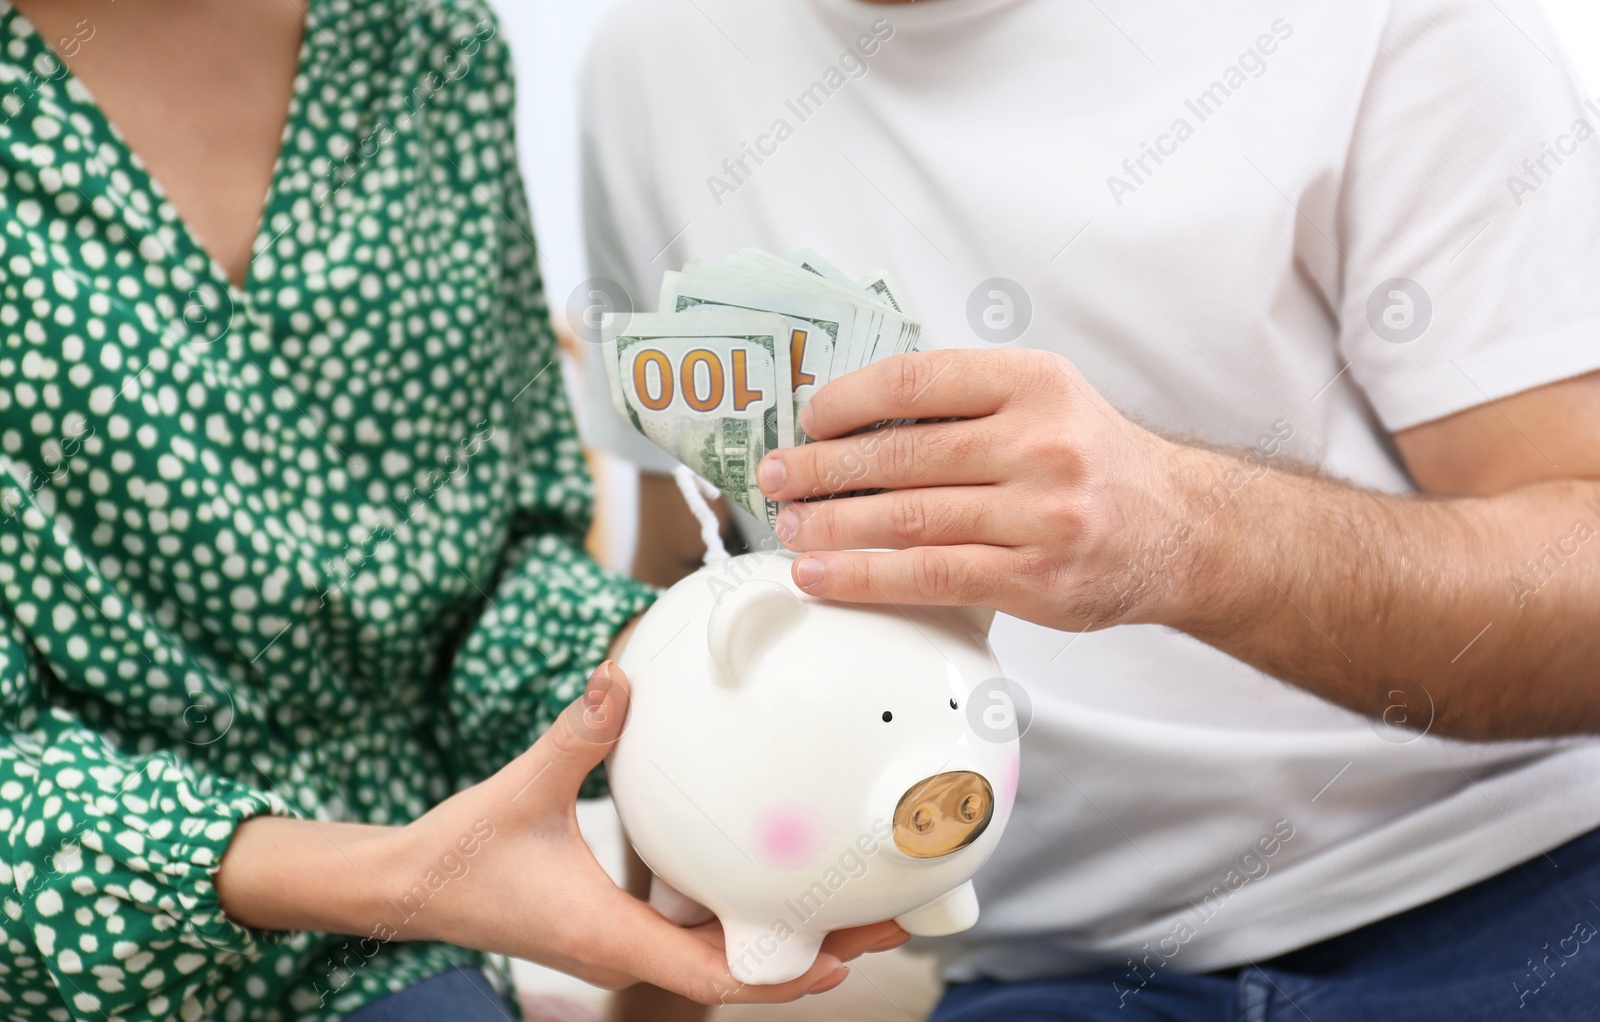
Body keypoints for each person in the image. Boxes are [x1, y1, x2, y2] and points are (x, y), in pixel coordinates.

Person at [578, 0, 1600, 1018]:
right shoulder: (647, 62)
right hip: (1050, 974)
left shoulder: (1387, 23)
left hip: (1514, 882)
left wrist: (1194, 536)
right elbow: (689, 597)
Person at [0, 0, 905, 1018]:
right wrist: (398, 872)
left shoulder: (428, 40)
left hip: (385, 956)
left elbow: (497, 563)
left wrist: (682, 673)